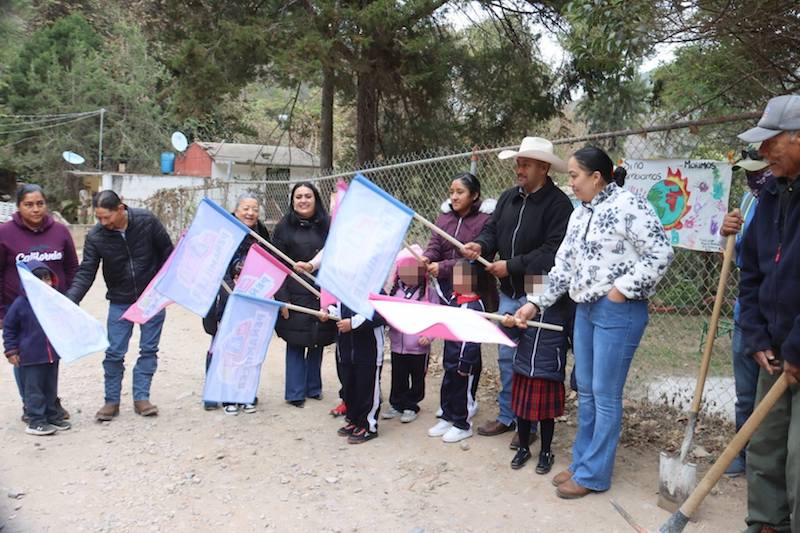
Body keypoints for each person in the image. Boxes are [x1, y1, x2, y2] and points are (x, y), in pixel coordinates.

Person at [514, 146, 673, 498]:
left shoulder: (628, 206)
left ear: (596, 177)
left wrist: (622, 290)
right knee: (584, 388)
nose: (570, 183)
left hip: (618, 311)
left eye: (574, 176)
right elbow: (562, 267)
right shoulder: (580, 213)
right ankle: (583, 461)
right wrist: (533, 304)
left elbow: (660, 252)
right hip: (584, 310)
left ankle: (594, 475)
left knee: (604, 393)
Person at [462, 136, 573, 439]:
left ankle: (532, 422)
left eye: (525, 164)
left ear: (543, 168)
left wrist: (510, 265)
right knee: (506, 355)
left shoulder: (559, 205)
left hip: (540, 288)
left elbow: (553, 252)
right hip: (509, 290)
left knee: (535, 359)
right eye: (519, 163)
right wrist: (480, 246)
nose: (518, 169)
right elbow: (491, 231)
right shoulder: (509, 197)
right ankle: (509, 415)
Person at [736, 93, 800, 533]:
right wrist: (757, 336)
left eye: (770, 142)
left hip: (796, 348)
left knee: (799, 458)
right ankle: (765, 524)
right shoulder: (773, 195)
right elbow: (753, 273)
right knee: (765, 444)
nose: (762, 153)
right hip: (774, 350)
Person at [66, 190, 173, 421]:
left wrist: (165, 287)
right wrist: (71, 299)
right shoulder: (96, 236)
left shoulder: (146, 221)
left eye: (108, 217)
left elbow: (168, 252)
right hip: (119, 300)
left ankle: (142, 398)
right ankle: (111, 402)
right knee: (114, 352)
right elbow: (86, 271)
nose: (104, 223)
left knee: (149, 350)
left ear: (121, 209)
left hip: (151, 300)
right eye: (99, 218)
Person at [0, 184, 78, 422]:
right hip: (20, 310)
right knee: (25, 359)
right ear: (19, 206)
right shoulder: (5, 233)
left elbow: (73, 269)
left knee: (50, 357)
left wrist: (70, 303)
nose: (35, 209)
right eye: (29, 204)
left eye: (40, 203)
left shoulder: (60, 232)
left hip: (54, 311)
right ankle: (31, 406)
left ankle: (50, 403)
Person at [718, 147, 771, 477]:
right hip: (746, 311)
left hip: (777, 314)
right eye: (748, 172)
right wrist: (727, 234)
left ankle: (768, 463)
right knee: (745, 394)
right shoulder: (750, 199)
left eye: (758, 170)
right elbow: (734, 256)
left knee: (775, 399)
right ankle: (742, 454)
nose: (753, 178)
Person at [273, 182, 336, 408]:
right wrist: (282, 297)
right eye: (298, 196)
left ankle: (313, 387)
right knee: (296, 340)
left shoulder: (328, 225)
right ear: (292, 201)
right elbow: (276, 264)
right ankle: (295, 392)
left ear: (315, 199)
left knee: (318, 338)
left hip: (322, 289)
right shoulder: (283, 227)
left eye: (308, 196)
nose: (303, 200)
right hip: (294, 291)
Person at [502, 283, 573, 474]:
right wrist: (508, 325)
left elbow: (574, 341)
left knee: (546, 416)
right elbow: (513, 334)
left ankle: (546, 452)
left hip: (549, 370)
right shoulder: (526, 306)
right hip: (524, 368)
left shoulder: (566, 310)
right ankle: (523, 448)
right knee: (522, 413)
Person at [3, 261, 72, 436]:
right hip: (31, 356)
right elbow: (9, 329)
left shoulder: (54, 301)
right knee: (34, 390)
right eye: (39, 279)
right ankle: (36, 421)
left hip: (51, 355)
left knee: (50, 388)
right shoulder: (20, 304)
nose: (45, 283)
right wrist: (11, 351)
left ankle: (51, 416)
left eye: (47, 278)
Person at [427, 259, 487, 443]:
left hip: (465, 362)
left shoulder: (476, 306)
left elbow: (473, 340)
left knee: (463, 392)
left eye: (460, 276)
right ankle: (448, 416)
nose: (455, 280)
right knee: (448, 388)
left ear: (470, 279)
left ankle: (463, 425)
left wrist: (466, 363)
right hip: (450, 357)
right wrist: (433, 278)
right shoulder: (455, 299)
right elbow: (442, 298)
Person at [422, 172, 495, 306]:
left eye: (460, 192)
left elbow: (473, 259)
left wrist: (443, 267)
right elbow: (435, 243)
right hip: (445, 287)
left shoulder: (485, 220)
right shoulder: (444, 218)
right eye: (451, 192)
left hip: (473, 289)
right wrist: (427, 256)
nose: (454, 197)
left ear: (474, 195)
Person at [382, 247, 432, 424]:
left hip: (419, 346)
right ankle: (396, 404)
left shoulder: (428, 293)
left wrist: (429, 335)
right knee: (398, 375)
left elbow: (436, 318)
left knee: (417, 377)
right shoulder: (395, 292)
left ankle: (412, 405)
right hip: (397, 345)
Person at [201, 260, 257, 414]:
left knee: (247, 355)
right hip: (223, 311)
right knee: (223, 355)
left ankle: (244, 395)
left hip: (246, 306)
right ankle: (218, 395)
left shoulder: (254, 237)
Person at [331, 301, 386, 444]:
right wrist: (329, 313)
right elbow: (338, 310)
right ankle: (354, 419)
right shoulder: (344, 289)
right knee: (350, 386)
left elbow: (380, 314)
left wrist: (353, 323)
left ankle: (368, 425)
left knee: (367, 388)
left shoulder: (375, 289)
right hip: (347, 349)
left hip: (368, 351)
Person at [230, 193, 270, 265]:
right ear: (236, 211)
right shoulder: (227, 228)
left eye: (255, 210)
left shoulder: (261, 230)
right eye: (246, 209)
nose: (251, 213)